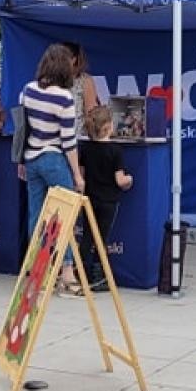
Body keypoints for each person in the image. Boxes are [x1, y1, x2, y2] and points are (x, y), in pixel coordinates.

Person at [19, 43, 84, 295]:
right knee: (64, 215)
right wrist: (77, 174)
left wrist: (22, 161)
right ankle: (67, 272)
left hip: (32, 158)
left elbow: (23, 129)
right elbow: (69, 141)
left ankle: (38, 271)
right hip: (54, 159)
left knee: (37, 217)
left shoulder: (28, 90)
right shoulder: (64, 97)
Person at [77, 105, 132, 291]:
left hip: (89, 198)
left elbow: (82, 175)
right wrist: (130, 179)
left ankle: (81, 272)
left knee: (87, 235)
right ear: (108, 126)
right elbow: (120, 180)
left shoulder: (85, 148)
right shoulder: (115, 151)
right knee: (102, 238)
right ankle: (100, 277)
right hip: (108, 201)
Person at [64, 42, 101, 137]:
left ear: (73, 60)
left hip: (76, 138)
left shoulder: (85, 81)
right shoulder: (52, 79)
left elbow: (91, 112)